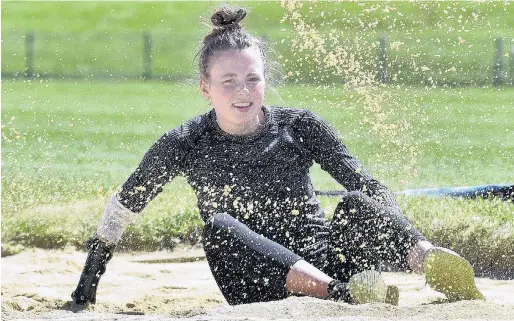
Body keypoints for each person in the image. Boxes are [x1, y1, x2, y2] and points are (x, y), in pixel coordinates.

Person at [71, 6, 484, 306]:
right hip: (257, 284)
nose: (243, 92)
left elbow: (367, 184)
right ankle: (344, 295)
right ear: (205, 87)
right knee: (218, 226)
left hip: (327, 260)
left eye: (252, 79)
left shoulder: (299, 125)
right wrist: (88, 281)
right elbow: (125, 205)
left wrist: (396, 224)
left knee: (359, 202)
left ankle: (431, 262)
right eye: (228, 81)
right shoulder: (184, 142)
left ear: (265, 81)